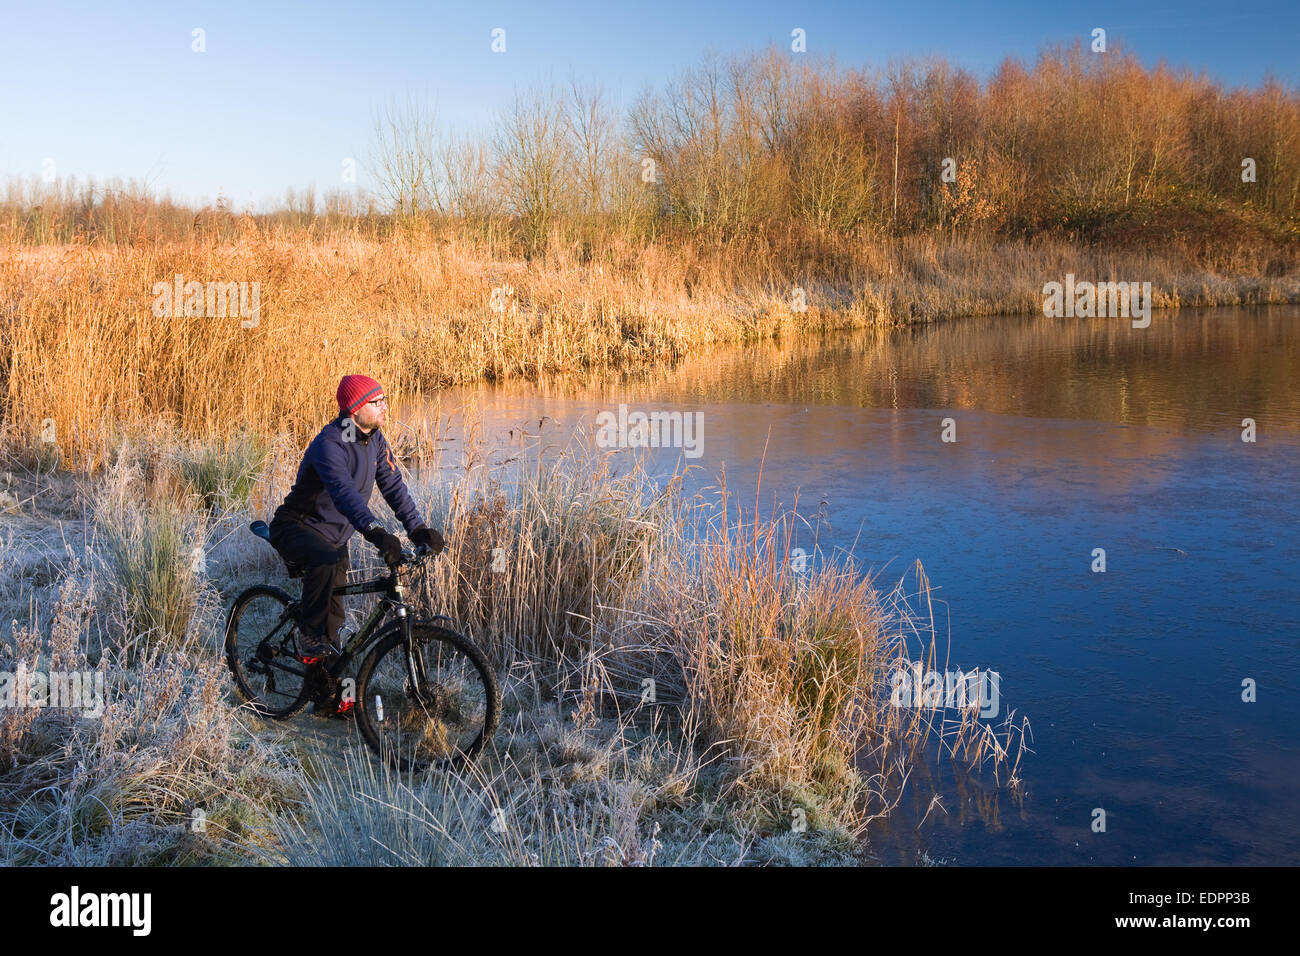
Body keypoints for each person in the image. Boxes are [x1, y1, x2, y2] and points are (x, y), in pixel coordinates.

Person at [268, 374, 444, 715]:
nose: (384, 408)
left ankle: (331, 698)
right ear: (355, 409)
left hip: (335, 539)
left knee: (335, 627)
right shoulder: (329, 444)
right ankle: (308, 635)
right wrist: (376, 532)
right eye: (376, 403)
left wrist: (418, 529)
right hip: (297, 528)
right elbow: (344, 494)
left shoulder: (374, 440)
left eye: (383, 400)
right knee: (322, 576)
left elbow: (394, 487)